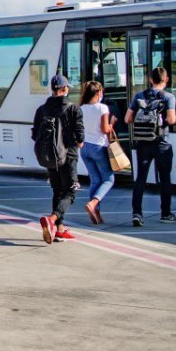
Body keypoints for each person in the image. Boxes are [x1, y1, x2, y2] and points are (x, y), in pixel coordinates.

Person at [125, 67, 176, 226]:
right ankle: (166, 213)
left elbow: (127, 118)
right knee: (165, 178)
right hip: (162, 142)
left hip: (143, 142)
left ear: (150, 79)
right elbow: (171, 119)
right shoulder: (168, 97)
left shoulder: (139, 96)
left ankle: (137, 213)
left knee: (140, 178)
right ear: (166, 79)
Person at [32, 75, 85, 243]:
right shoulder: (73, 108)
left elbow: (35, 135)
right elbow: (80, 137)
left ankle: (60, 229)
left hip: (50, 157)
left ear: (52, 90)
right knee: (71, 191)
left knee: (57, 190)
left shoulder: (42, 109)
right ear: (65, 89)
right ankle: (52, 219)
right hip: (68, 156)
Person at [79, 81, 115, 225]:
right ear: (98, 92)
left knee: (95, 180)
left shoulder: (81, 108)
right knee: (108, 179)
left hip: (84, 148)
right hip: (98, 147)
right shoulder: (102, 108)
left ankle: (96, 214)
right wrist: (112, 123)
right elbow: (105, 129)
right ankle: (93, 203)